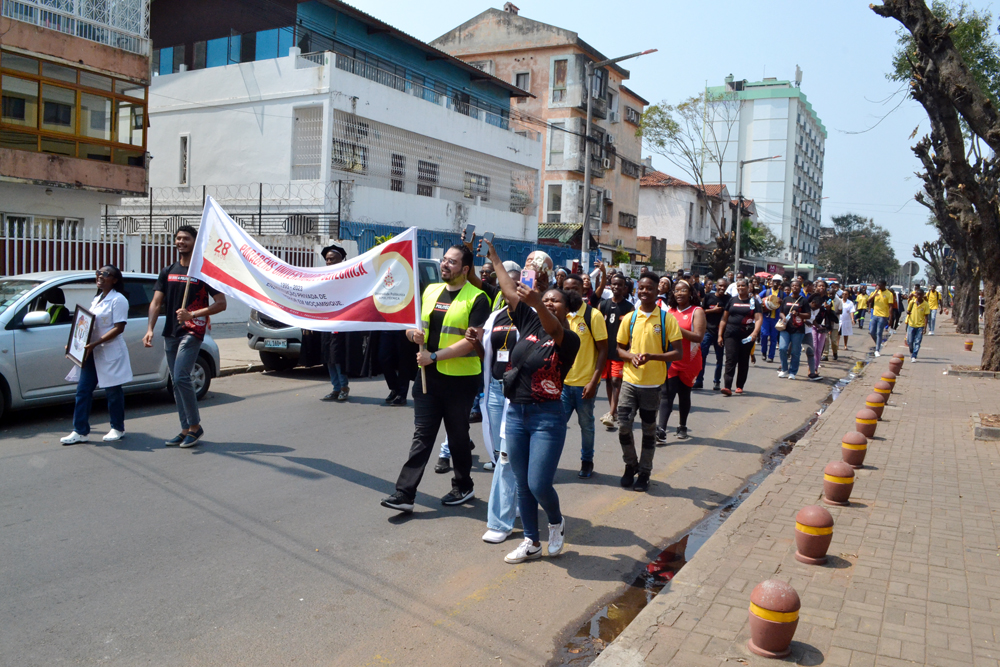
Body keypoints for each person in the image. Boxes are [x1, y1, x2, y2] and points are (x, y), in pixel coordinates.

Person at [482, 239, 581, 564]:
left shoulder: (568, 338)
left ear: (567, 309)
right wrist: (497, 258)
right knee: (522, 483)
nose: (550, 303)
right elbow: (515, 292)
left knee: (539, 483)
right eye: (546, 300)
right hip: (517, 414)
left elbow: (551, 325)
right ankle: (530, 541)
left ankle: (555, 522)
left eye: (556, 301)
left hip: (547, 418)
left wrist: (540, 300)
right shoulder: (527, 322)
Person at [381, 245, 489, 513]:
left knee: (457, 437)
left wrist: (435, 356)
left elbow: (470, 342)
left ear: (465, 269)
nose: (444, 265)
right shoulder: (430, 291)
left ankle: (463, 485)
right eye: (444, 260)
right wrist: (412, 335)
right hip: (428, 378)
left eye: (452, 262)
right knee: (423, 436)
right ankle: (404, 493)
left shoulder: (477, 298)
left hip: (461, 379)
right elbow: (411, 326)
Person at [143, 226, 228, 448]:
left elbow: (221, 304)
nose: (181, 242)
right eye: (178, 238)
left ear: (195, 242)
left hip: (193, 331)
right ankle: (185, 429)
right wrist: (150, 328)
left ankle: (196, 426)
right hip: (171, 331)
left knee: (181, 377)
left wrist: (193, 314)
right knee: (175, 381)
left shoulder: (203, 273)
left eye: (186, 239)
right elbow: (156, 302)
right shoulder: (167, 271)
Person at [616, 272, 683, 493]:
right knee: (623, 427)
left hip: (653, 386)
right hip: (629, 381)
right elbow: (619, 348)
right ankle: (630, 465)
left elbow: (677, 353)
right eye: (641, 288)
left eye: (650, 288)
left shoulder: (666, 319)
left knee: (648, 431)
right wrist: (631, 357)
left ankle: (644, 472)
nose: (644, 291)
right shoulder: (630, 318)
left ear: (658, 292)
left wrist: (653, 357)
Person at [61, 266, 133, 445]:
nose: (100, 277)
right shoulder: (97, 299)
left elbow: (119, 328)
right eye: (98, 274)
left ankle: (117, 427)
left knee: (113, 392)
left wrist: (94, 344)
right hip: (92, 353)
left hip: (109, 351)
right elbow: (86, 325)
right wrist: (74, 344)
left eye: (105, 274)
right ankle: (80, 431)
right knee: (83, 391)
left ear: (115, 280)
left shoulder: (118, 300)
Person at [479, 269, 522, 544]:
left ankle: (501, 520)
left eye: (515, 285)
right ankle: (513, 499)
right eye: (506, 286)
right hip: (495, 389)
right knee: (498, 452)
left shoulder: (530, 317)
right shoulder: (496, 317)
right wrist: (475, 344)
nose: (509, 289)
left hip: (517, 393)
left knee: (507, 456)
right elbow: (487, 352)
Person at [561, 273, 609, 478]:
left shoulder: (593, 316)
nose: (570, 292)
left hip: (584, 384)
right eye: (566, 288)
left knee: (586, 425)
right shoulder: (557, 315)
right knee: (554, 426)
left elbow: (603, 351)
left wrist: (594, 381)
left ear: (583, 291)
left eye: (574, 288)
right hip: (560, 384)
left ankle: (587, 461)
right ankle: (549, 462)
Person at [657, 280, 705, 441]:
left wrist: (676, 329)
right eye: (676, 290)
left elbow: (698, 337)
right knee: (667, 394)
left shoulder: (697, 311)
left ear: (690, 293)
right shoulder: (669, 312)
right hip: (672, 359)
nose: (679, 293)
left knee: (684, 394)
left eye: (683, 290)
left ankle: (682, 425)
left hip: (690, 360)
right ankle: (661, 430)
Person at [599, 273, 635, 431]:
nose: (616, 287)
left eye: (620, 285)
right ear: (610, 285)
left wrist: (630, 349)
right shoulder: (603, 305)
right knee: (608, 381)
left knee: (616, 381)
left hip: (619, 351)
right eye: (614, 284)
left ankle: (613, 412)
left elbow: (633, 331)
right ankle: (612, 411)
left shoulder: (629, 308)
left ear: (624, 288)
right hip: (604, 351)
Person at [718, 278, 762, 395]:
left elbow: (758, 319)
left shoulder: (754, 302)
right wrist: (720, 335)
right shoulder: (732, 300)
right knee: (730, 359)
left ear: (748, 288)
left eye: (743, 286)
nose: (740, 288)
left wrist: (755, 333)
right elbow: (724, 319)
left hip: (747, 335)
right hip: (731, 334)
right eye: (738, 286)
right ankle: (727, 386)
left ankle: (739, 385)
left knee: (743, 360)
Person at [319, 244, 351, 402]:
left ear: (341, 260)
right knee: (328, 357)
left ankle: (344, 387)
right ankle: (335, 388)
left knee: (338, 357)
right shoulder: (323, 278)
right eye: (327, 260)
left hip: (341, 323)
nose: (329, 262)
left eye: (332, 259)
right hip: (327, 323)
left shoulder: (347, 277)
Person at [698, 278, 728, 391]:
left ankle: (717, 381)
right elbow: (701, 312)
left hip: (721, 333)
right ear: (716, 285)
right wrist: (713, 311)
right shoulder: (708, 297)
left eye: (724, 286)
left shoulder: (728, 299)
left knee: (719, 358)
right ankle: (699, 380)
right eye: (720, 286)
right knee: (702, 357)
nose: (722, 288)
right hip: (707, 332)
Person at [778, 279, 809, 381]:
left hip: (798, 330)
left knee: (795, 352)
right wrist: (783, 317)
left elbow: (808, 315)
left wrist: (798, 314)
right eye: (793, 286)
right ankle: (784, 369)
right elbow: (781, 312)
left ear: (800, 288)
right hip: (785, 328)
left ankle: (792, 372)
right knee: (782, 348)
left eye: (797, 286)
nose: (795, 287)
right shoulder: (786, 299)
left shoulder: (803, 301)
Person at [807, 281, 833, 380]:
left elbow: (829, 311)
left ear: (826, 287)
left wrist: (828, 308)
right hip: (813, 324)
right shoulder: (813, 297)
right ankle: (811, 369)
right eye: (819, 286)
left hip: (823, 326)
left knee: (819, 349)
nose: (821, 287)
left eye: (823, 286)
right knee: (813, 346)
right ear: (816, 287)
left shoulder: (828, 299)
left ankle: (816, 368)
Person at [758, 275, 786, 363]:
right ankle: (763, 352)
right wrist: (763, 303)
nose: (776, 283)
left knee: (773, 338)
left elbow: (786, 304)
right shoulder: (766, 292)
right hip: (766, 317)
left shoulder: (782, 294)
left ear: (780, 284)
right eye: (774, 281)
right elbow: (757, 299)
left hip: (776, 318)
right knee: (764, 335)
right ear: (771, 282)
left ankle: (771, 356)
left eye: (778, 282)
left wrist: (782, 302)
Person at [868, 280, 895, 357]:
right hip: (875, 315)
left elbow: (890, 307)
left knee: (879, 333)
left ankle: (877, 350)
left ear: (884, 285)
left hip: (883, 316)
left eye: (880, 286)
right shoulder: (876, 292)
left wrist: (890, 318)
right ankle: (878, 343)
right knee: (872, 332)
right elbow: (868, 301)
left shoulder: (889, 294)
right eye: (878, 286)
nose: (879, 287)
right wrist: (873, 296)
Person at [906, 288, 931, 362]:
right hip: (911, 324)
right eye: (918, 295)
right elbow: (908, 310)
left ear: (923, 295)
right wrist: (908, 312)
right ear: (916, 295)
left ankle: (914, 355)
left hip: (920, 326)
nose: (919, 296)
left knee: (917, 341)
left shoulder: (926, 304)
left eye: (920, 295)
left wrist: (925, 328)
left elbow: (926, 317)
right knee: (910, 341)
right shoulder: (912, 302)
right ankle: (911, 351)